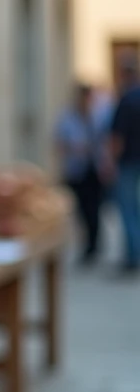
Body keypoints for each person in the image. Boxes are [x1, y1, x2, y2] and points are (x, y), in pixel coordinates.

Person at [55, 83, 109, 263]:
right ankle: (86, 243)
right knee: (81, 209)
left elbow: (107, 140)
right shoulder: (67, 117)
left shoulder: (100, 116)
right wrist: (74, 149)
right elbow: (58, 142)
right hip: (77, 169)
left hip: (94, 168)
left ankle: (94, 244)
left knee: (95, 208)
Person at [111, 61, 140, 272]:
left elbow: (117, 137)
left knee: (128, 208)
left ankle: (133, 255)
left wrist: (111, 161)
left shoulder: (126, 99)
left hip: (129, 161)